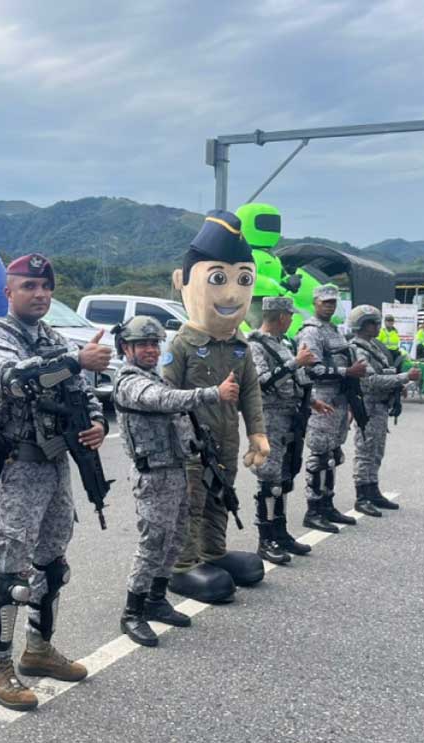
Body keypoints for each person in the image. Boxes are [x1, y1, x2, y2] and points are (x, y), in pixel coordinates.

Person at [0, 253, 111, 710]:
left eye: (46, 287)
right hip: (17, 468)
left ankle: (39, 649)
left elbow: (83, 393)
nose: (40, 294)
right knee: (10, 573)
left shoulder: (53, 338)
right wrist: (76, 360)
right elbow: (11, 379)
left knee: (52, 565)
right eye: (29, 286)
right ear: (8, 292)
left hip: (55, 466)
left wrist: (97, 424)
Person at [111, 316, 239, 646]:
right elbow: (163, 400)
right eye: (142, 344)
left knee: (176, 537)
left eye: (154, 344)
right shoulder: (130, 381)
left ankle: (156, 599)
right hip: (153, 476)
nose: (151, 350)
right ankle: (133, 611)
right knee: (152, 543)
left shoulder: (154, 377)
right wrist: (213, 393)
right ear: (126, 348)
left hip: (177, 470)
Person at [163, 210, 270, 603]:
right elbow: (163, 396)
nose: (232, 295)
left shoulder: (240, 347)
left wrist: (257, 433)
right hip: (191, 444)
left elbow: (251, 392)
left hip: (225, 438)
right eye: (219, 279)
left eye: (243, 280)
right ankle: (183, 564)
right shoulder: (181, 345)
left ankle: (213, 551)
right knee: (191, 502)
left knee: (220, 496)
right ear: (183, 281)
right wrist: (177, 441)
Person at [247, 296, 334, 562]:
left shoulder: (284, 343)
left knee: (284, 477)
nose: (292, 320)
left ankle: (281, 532)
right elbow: (262, 382)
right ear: (282, 317)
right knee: (269, 479)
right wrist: (296, 362)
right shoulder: (255, 346)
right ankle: (266, 539)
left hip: (291, 417)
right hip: (269, 419)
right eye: (290, 316)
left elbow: (296, 379)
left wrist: (313, 401)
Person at [295, 284, 369, 534]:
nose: (329, 306)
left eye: (333, 302)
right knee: (319, 455)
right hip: (322, 399)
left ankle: (327, 505)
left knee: (333, 453)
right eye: (325, 302)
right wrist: (347, 371)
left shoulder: (334, 330)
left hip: (340, 399)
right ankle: (313, 510)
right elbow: (310, 369)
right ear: (315, 302)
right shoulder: (311, 332)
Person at [348, 306, 421, 515]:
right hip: (368, 405)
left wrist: (397, 385)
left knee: (377, 451)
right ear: (361, 325)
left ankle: (372, 490)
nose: (377, 326)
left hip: (380, 405)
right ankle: (362, 496)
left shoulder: (374, 346)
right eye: (372, 323)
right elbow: (370, 381)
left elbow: (385, 371)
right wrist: (404, 377)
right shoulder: (358, 349)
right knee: (365, 452)